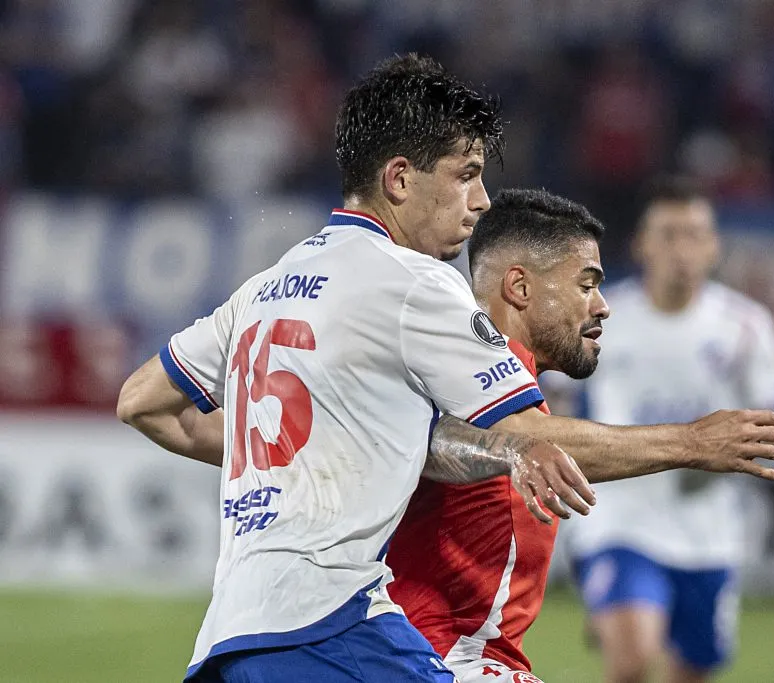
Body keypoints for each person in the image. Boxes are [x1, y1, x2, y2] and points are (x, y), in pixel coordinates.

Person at [116, 54, 596, 683]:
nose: (481, 201)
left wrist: (293, 454)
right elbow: (534, 436)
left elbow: (140, 400)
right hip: (330, 623)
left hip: (229, 638)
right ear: (399, 178)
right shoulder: (416, 281)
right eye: (467, 175)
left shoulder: (267, 285)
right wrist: (694, 441)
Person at [387, 188, 774, 683]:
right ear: (520, 287)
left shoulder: (742, 324)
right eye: (585, 284)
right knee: (631, 660)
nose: (602, 306)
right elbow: (528, 437)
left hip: (448, 654)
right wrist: (693, 443)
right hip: (438, 660)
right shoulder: (465, 370)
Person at [565, 175, 774, 683]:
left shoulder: (745, 326)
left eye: (694, 234)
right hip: (618, 521)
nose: (681, 248)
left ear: (714, 247)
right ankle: (618, 611)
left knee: (691, 672)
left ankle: (615, 613)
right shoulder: (602, 318)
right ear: (641, 244)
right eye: (668, 234)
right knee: (632, 661)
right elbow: (555, 405)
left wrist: (748, 444)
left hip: (708, 533)